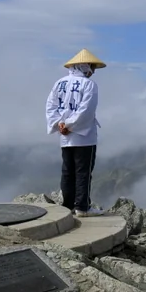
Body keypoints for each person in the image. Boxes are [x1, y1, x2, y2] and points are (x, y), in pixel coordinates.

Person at [46, 49, 106, 217]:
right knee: (83, 171)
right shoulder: (89, 85)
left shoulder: (60, 83)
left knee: (68, 171)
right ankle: (82, 207)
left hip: (65, 136)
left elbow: (50, 106)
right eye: (92, 67)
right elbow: (86, 110)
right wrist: (71, 125)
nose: (92, 71)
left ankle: (67, 206)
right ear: (85, 66)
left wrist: (60, 124)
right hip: (84, 135)